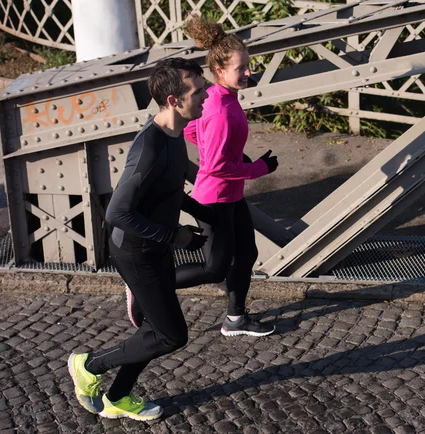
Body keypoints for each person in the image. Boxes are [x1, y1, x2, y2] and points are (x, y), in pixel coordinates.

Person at [67, 57, 214, 421]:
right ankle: (89, 365)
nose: (207, 95)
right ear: (172, 100)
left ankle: (118, 397)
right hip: (134, 252)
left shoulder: (175, 135)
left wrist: (210, 216)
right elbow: (117, 213)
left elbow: (169, 191)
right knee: (171, 336)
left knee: (153, 329)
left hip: (155, 246)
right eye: (198, 91)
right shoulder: (149, 148)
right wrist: (173, 235)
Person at [175, 15, 278, 337]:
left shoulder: (223, 98)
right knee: (213, 268)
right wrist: (257, 169)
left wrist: (216, 150)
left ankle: (235, 319)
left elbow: (192, 129)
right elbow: (216, 167)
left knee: (247, 254)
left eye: (248, 65)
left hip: (230, 194)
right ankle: (146, 284)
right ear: (219, 70)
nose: (248, 72)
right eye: (241, 68)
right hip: (215, 197)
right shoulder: (220, 109)